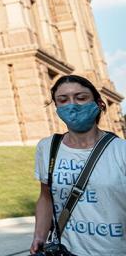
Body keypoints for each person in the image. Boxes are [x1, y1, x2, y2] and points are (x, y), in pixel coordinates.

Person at [30, 74, 126, 256]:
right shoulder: (47, 147)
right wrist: (39, 235)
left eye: (81, 98)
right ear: (56, 107)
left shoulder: (121, 150)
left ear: (99, 104)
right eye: (63, 100)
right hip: (66, 250)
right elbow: (45, 196)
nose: (72, 105)